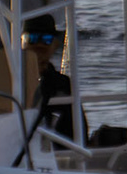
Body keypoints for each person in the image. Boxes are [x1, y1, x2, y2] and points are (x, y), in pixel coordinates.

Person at [23, 12, 82, 140]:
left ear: (54, 45)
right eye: (32, 38)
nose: (39, 46)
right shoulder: (9, 81)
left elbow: (79, 133)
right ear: (21, 43)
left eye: (46, 40)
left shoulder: (64, 85)